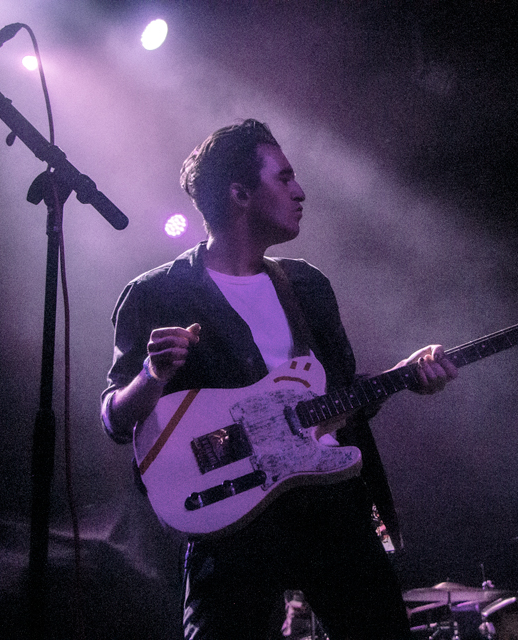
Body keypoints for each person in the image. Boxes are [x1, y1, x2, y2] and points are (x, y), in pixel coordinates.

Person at [101, 119, 458, 640]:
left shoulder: (308, 284)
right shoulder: (158, 293)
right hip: (232, 521)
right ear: (240, 193)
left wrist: (406, 377)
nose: (301, 192)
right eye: (284, 178)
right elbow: (114, 417)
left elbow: (336, 399)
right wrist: (152, 375)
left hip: (331, 503)